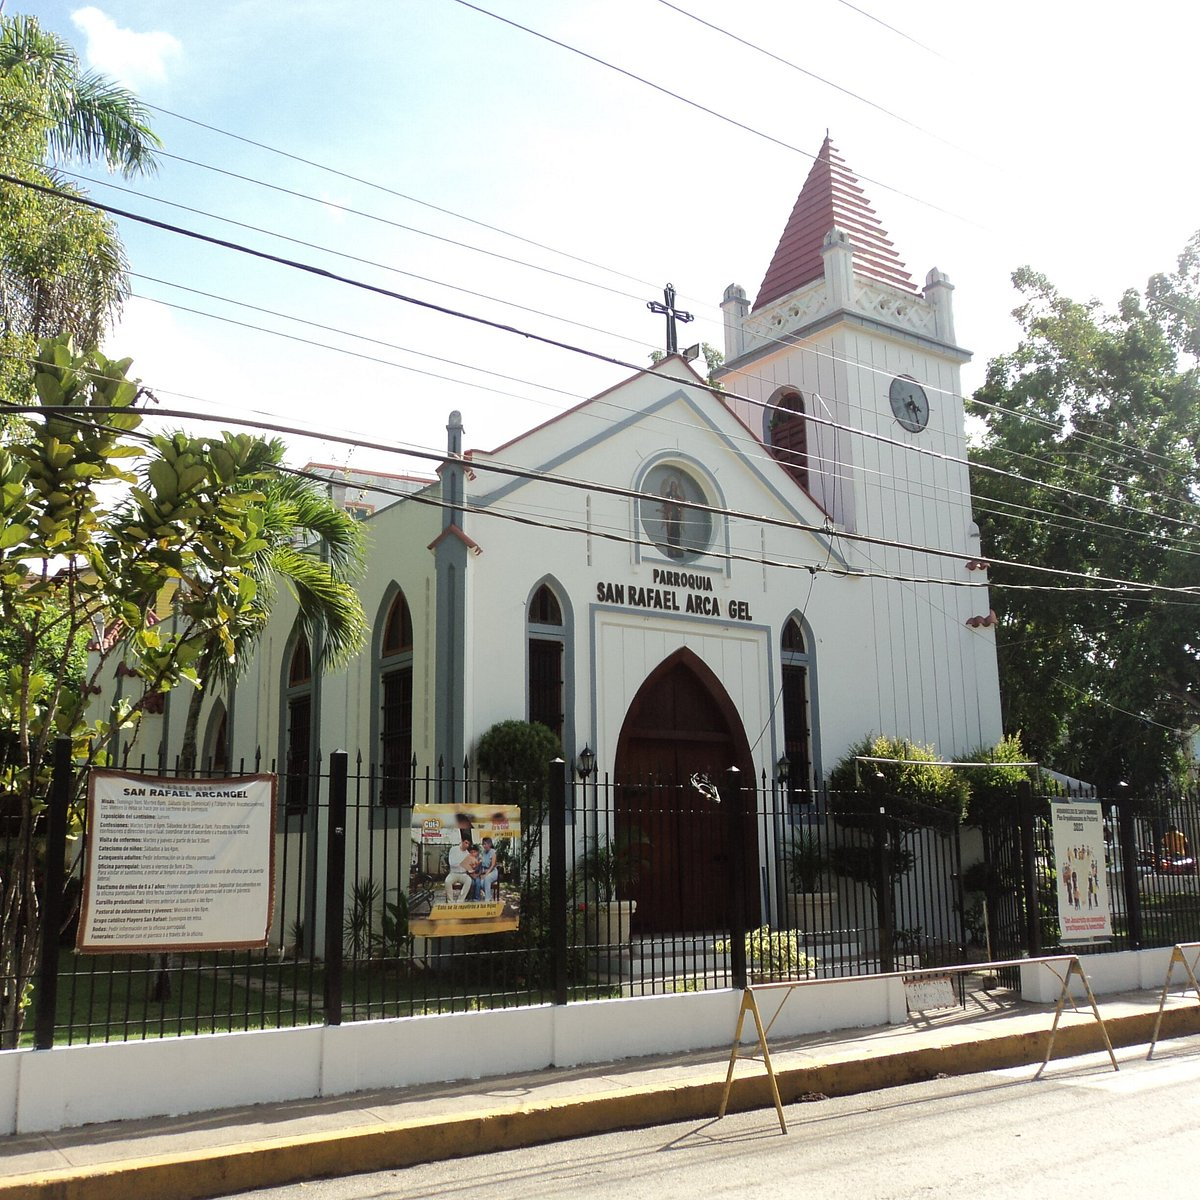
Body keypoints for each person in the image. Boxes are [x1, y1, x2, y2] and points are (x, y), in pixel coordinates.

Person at [444, 834, 475, 904]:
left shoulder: (467, 853)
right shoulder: (453, 849)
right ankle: (450, 902)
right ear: (462, 841)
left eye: (468, 844)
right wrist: (462, 863)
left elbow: (467, 866)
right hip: (453, 873)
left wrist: (470, 869)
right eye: (466, 843)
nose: (467, 845)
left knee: (469, 880)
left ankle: (460, 901)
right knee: (447, 881)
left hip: (463, 874)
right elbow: (452, 863)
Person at [475, 836, 498, 901]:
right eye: (483, 844)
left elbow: (493, 865)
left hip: (493, 871)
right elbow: (482, 865)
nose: (484, 846)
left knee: (487, 879)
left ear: (490, 844)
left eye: (485, 844)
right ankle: (489, 895)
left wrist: (486, 874)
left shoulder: (493, 852)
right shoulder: (483, 852)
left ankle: (487, 900)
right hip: (485, 871)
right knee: (481, 882)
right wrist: (482, 873)